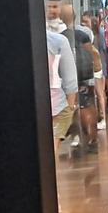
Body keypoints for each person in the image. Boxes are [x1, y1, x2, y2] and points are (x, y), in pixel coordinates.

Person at [60, 4, 99, 155]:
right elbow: (92, 53)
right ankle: (90, 136)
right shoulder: (82, 33)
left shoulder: (64, 35)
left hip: (75, 75)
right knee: (86, 104)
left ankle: (87, 135)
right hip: (84, 74)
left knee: (80, 106)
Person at [46, 27, 77, 156]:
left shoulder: (57, 40)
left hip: (56, 103)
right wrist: (70, 105)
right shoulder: (57, 40)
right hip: (56, 103)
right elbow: (70, 76)